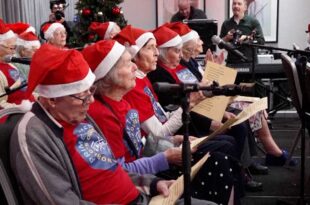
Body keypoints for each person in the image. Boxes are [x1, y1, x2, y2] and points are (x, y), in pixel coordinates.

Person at [9, 43, 212, 205]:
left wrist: (151, 183)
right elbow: (59, 200)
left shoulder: (77, 114)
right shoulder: (34, 134)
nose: (90, 101)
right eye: (82, 97)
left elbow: (112, 169)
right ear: (52, 100)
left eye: (91, 92)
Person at [83, 40, 241, 204]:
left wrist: (171, 140)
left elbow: (140, 144)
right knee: (219, 162)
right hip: (143, 178)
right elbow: (119, 171)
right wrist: (164, 158)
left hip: (151, 162)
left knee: (221, 160)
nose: (134, 67)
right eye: (127, 63)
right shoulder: (102, 115)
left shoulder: (121, 102)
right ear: (108, 76)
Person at [0, 19, 34, 110]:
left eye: (15, 48)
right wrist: (21, 108)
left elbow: (26, 87)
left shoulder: (11, 64)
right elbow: (1, 104)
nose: (14, 52)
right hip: (17, 115)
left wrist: (38, 97)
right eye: (11, 48)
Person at [220, 0, 264, 65]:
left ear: (245, 8)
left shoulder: (253, 22)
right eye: (234, 4)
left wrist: (248, 38)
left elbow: (261, 41)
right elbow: (220, 45)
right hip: (231, 64)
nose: (236, 6)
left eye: (239, 4)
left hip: (250, 64)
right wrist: (226, 38)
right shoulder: (226, 23)